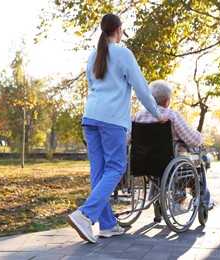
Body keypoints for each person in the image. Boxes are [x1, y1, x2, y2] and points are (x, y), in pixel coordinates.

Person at [66, 14, 168, 244]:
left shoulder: (93, 56)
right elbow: (141, 86)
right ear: (119, 30)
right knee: (116, 167)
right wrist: (156, 113)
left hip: (90, 116)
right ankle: (85, 215)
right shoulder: (123, 54)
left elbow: (92, 87)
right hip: (111, 119)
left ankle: (108, 225)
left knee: (99, 171)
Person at [133, 80, 214, 208]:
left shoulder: (138, 115)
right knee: (197, 162)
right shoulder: (172, 115)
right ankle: (203, 198)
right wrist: (200, 137)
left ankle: (164, 198)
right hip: (169, 161)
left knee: (174, 160)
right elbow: (193, 140)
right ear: (167, 101)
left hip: (144, 161)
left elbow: (128, 139)